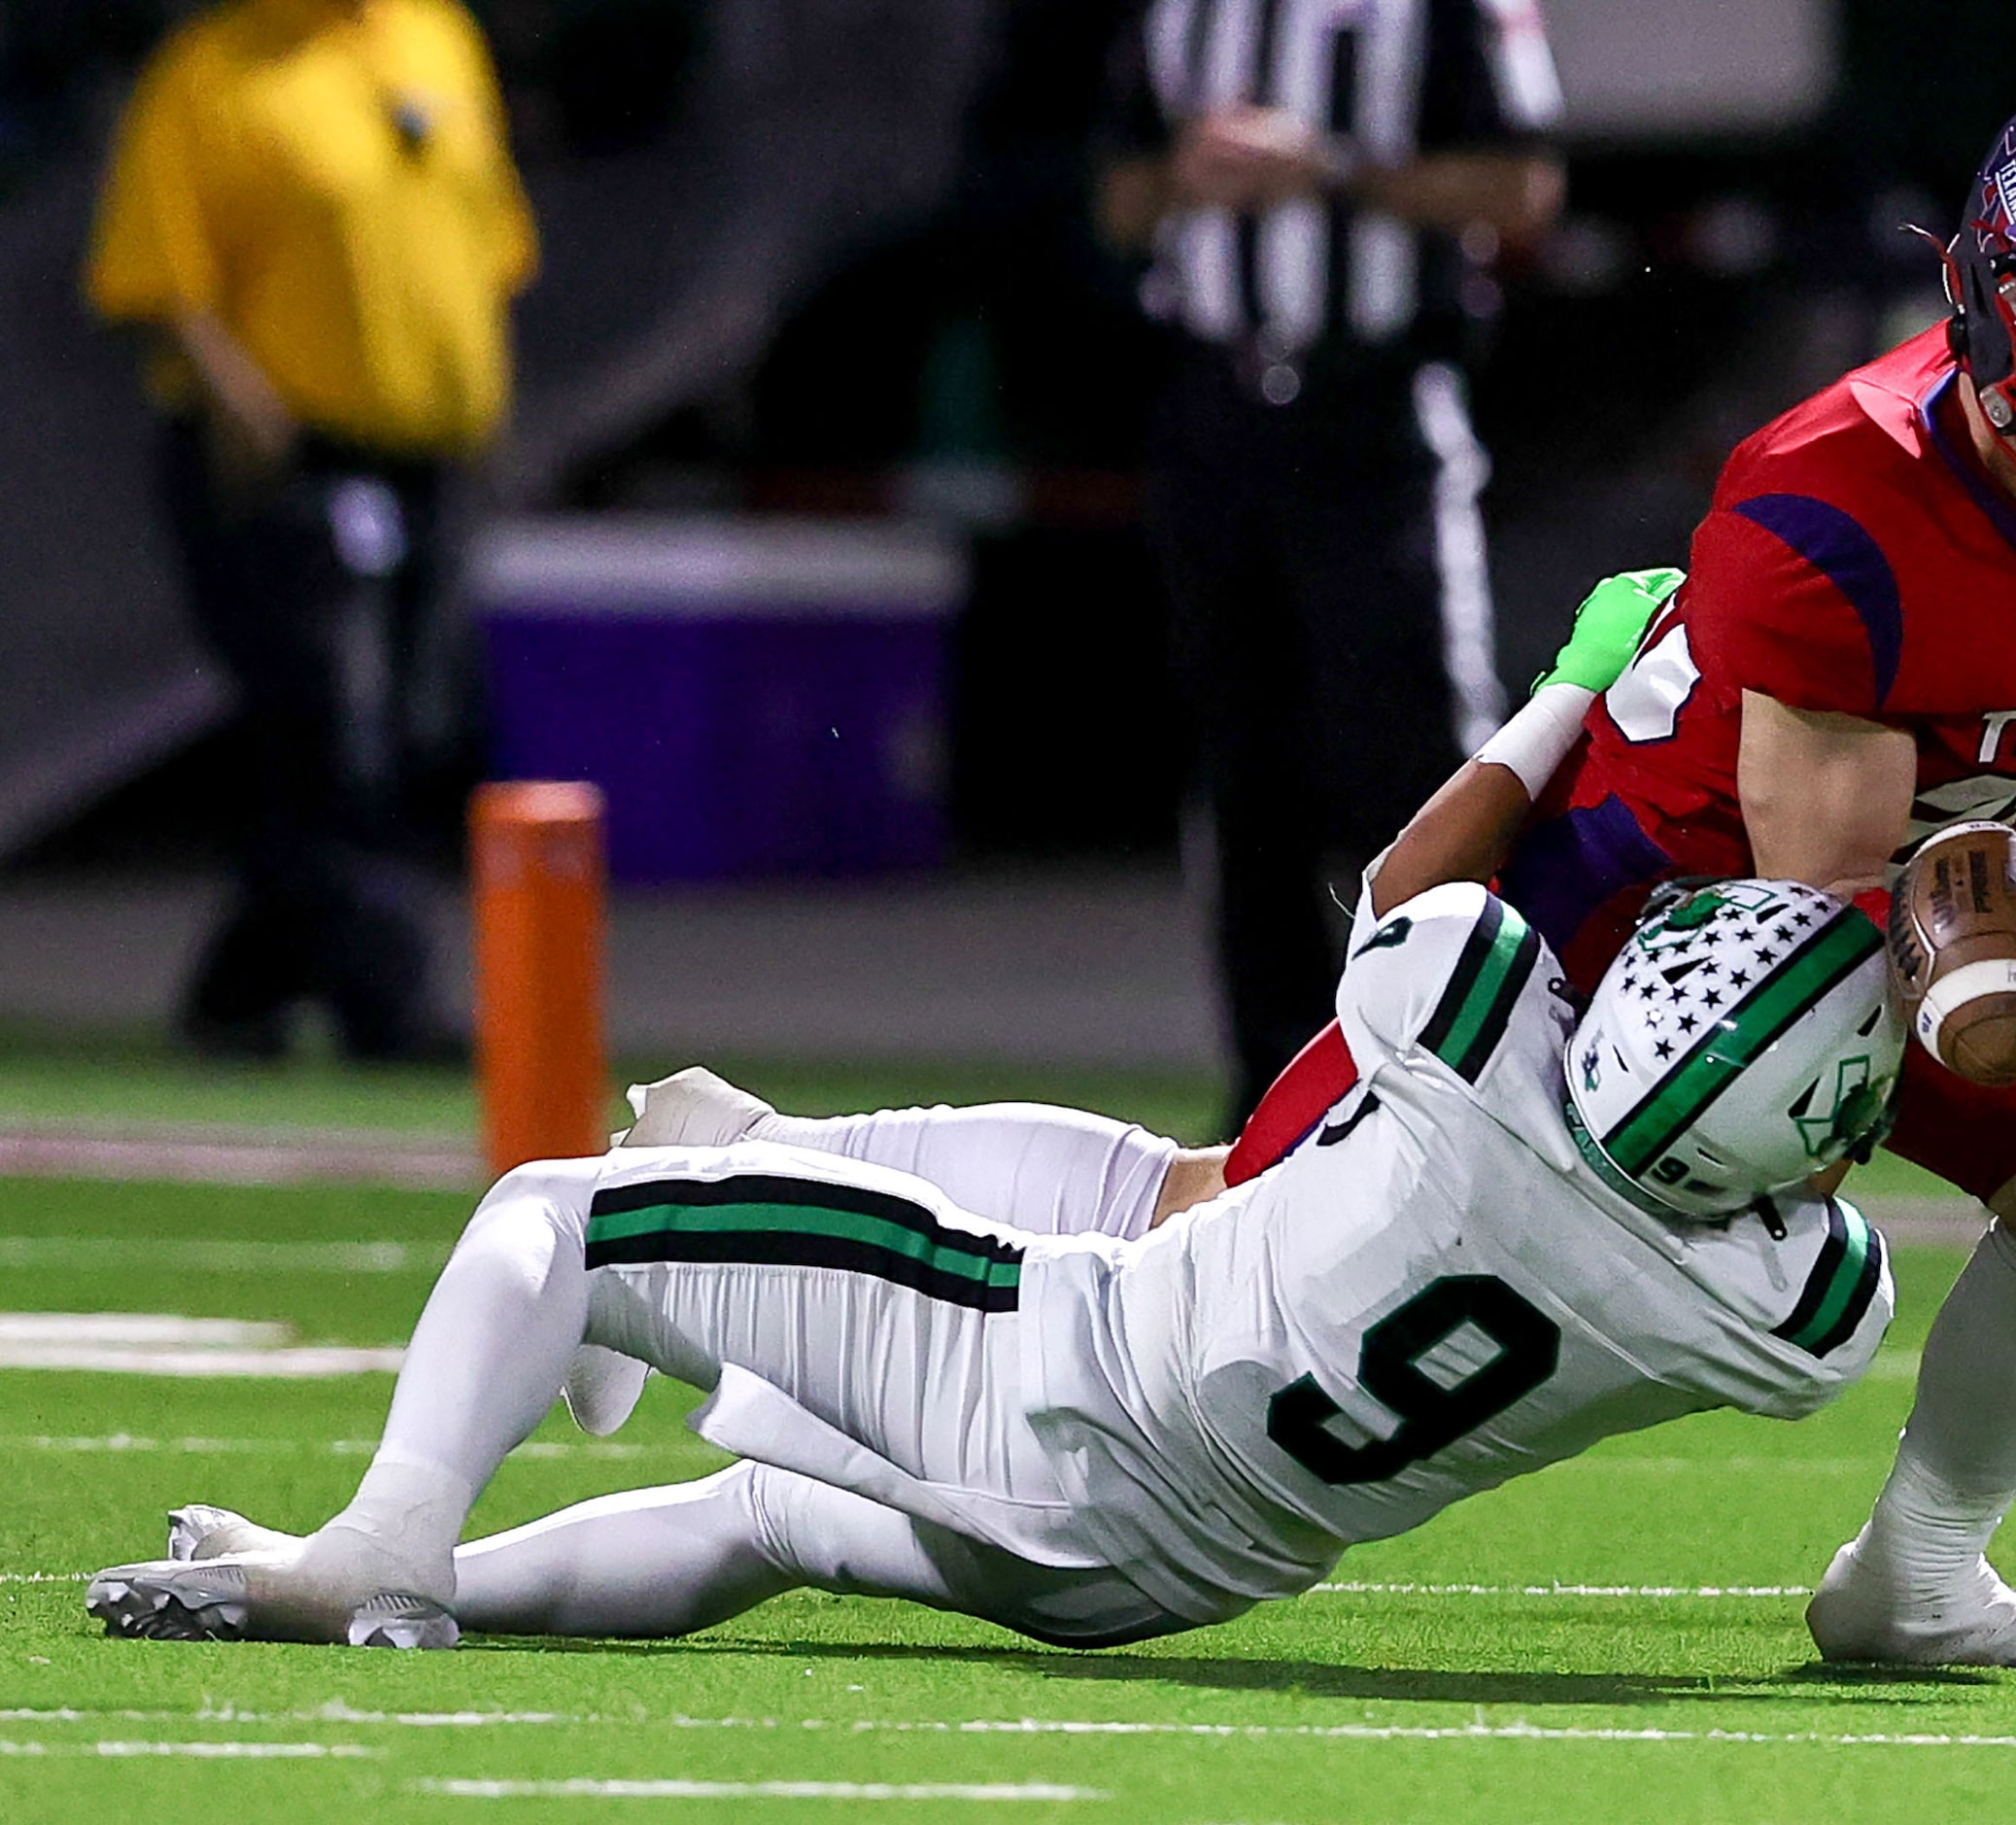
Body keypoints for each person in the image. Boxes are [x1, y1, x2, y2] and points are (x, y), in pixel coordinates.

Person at [84, 629, 1908, 1654]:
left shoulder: (1471, 1019)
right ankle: (434, 1564)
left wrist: (1569, 692)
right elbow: (1805, 1182)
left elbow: (1410, 886)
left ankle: (384, 1539)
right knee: (763, 1520)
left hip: (1065, 1374)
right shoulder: (1789, 1315)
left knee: (554, 1209)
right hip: (1180, 1568)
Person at [1228, 82, 2016, 1672]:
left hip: (1893, 912)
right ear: (1995, 312)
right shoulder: (1838, 502)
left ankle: (1913, 1577)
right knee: (1250, 1245)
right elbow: (1809, 951)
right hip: (1650, 920)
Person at [1097, 0, 1565, 1119]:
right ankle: (1272, 1098)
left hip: (1374, 415)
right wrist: (1184, 175)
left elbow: (1522, 190)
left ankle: (1460, 1082)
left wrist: (1330, 172)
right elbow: (1117, 200)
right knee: (1241, 782)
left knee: (1421, 775)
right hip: (1215, 413)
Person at [87, 0, 536, 1060]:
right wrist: (242, 407)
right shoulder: (214, 71)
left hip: (424, 463)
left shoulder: (433, 38)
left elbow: (491, 244)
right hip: (289, 459)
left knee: (416, 733)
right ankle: (389, 1007)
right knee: (339, 733)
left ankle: (241, 989)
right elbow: (151, 274)